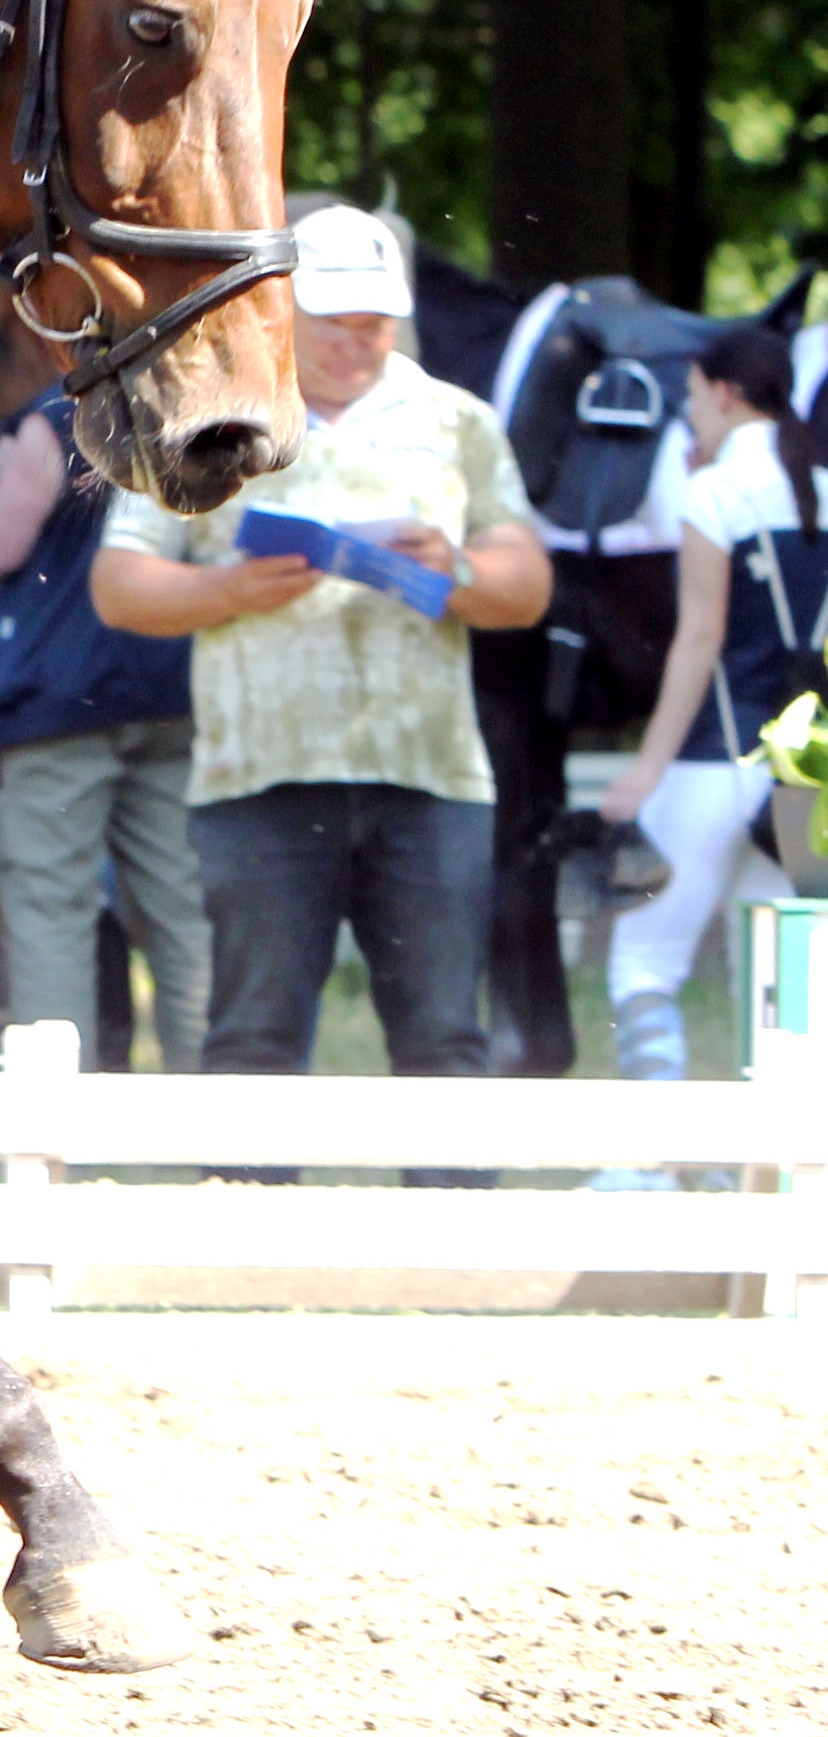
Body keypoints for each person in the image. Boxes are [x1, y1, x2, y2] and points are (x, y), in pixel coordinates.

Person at [90, 205, 552, 1131]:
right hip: (258, 774)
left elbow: (530, 587)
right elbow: (117, 586)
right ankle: (246, 1262)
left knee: (442, 1036)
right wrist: (234, 589)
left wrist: (454, 572)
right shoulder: (216, 417)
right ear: (285, 308)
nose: (356, 340)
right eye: (335, 318)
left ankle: (457, 1259)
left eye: (375, 320)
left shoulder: (456, 420)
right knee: (254, 1038)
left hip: (431, 776)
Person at [0, 386, 210, 1071]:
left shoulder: (63, 413)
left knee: (49, 918)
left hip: (56, 698)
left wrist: (9, 476)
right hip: (171, 686)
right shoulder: (197, 405)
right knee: (186, 916)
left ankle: (55, 1140)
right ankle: (222, 1144)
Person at [593, 325, 824, 1094]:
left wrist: (645, 772)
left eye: (692, 397)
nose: (690, 416)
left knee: (644, 963)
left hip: (709, 761)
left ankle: (647, 1165)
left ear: (723, 392)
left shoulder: (716, 491)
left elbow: (700, 640)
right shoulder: (819, 486)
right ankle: (770, 1171)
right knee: (776, 979)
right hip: (803, 775)